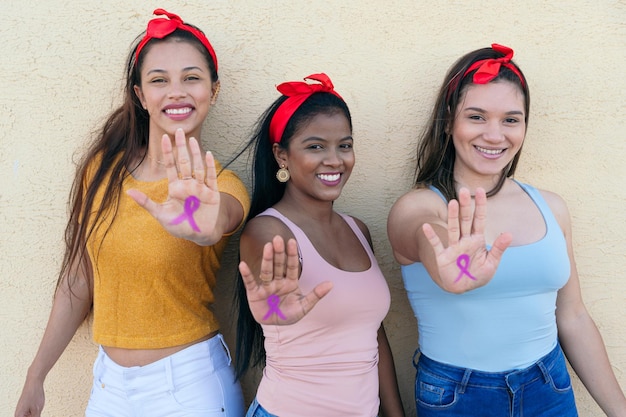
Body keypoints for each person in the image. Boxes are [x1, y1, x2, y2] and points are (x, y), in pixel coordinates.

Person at [15, 9, 249, 417]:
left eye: (191, 78)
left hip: (189, 386)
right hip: (109, 387)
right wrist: (36, 376)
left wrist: (200, 226)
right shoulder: (101, 172)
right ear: (141, 96)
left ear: (214, 89)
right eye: (159, 80)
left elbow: (216, 223)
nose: (176, 91)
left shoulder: (220, 186)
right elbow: (78, 279)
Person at [387, 43, 626, 416]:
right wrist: (456, 270)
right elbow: (429, 237)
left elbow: (573, 317)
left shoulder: (552, 207)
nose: (495, 135)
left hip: (549, 387)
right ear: (449, 121)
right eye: (477, 117)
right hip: (458, 397)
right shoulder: (418, 208)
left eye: (511, 119)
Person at [233, 73, 405, 417]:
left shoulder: (358, 230)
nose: (335, 160)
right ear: (282, 156)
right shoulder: (268, 232)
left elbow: (372, 336)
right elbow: (274, 278)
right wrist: (276, 310)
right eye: (315, 147)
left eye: (345, 145)